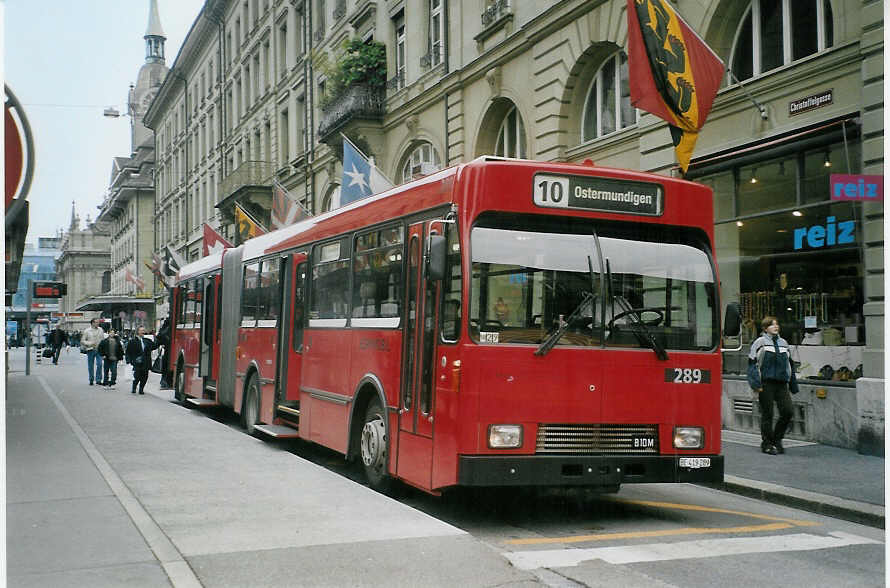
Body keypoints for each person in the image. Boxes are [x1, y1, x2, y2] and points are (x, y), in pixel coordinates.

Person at [747, 316, 799, 455]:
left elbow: (790, 365)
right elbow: (752, 364)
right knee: (767, 414)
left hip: (782, 384)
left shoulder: (784, 343)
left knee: (788, 411)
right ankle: (767, 444)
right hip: (766, 383)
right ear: (765, 328)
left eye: (776, 324)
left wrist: (793, 385)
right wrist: (756, 384)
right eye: (771, 325)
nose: (775, 327)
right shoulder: (760, 342)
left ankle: (777, 439)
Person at [126, 326, 155, 395]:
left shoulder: (147, 341)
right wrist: (129, 360)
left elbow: (154, 346)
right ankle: (134, 387)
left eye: (143, 330)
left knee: (145, 376)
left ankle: (141, 389)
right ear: (138, 331)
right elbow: (128, 352)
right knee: (137, 376)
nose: (143, 332)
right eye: (141, 330)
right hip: (137, 362)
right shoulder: (132, 341)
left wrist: (160, 341)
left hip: (146, 362)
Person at [81, 318, 106, 386]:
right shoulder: (87, 331)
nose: (98, 323)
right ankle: (91, 379)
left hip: (99, 350)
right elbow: (82, 341)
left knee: (100, 364)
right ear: (92, 323)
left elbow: (103, 340)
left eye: (98, 322)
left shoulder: (101, 330)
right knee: (90, 365)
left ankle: (98, 380)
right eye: (96, 322)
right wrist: (90, 343)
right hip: (90, 350)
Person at [156, 318, 172, 389]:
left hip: (167, 350)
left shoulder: (165, 328)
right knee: (167, 366)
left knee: (165, 367)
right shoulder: (168, 327)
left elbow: (159, 337)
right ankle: (166, 382)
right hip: (169, 350)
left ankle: (164, 381)